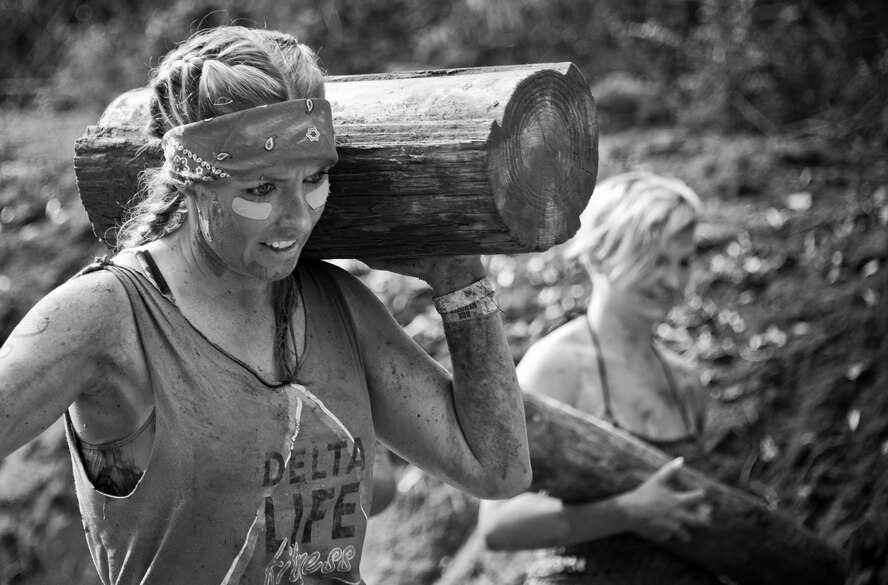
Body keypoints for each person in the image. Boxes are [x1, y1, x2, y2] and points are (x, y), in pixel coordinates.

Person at [0, 25, 530, 584]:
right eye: (260, 190)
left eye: (314, 180)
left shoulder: (336, 305)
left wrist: (461, 283)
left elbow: (496, 469)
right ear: (193, 180)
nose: (297, 218)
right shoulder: (106, 316)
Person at [478, 172, 719, 584]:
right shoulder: (557, 365)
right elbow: (499, 524)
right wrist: (626, 512)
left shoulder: (687, 384)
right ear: (602, 253)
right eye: (655, 259)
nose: (673, 281)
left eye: (683, 262)